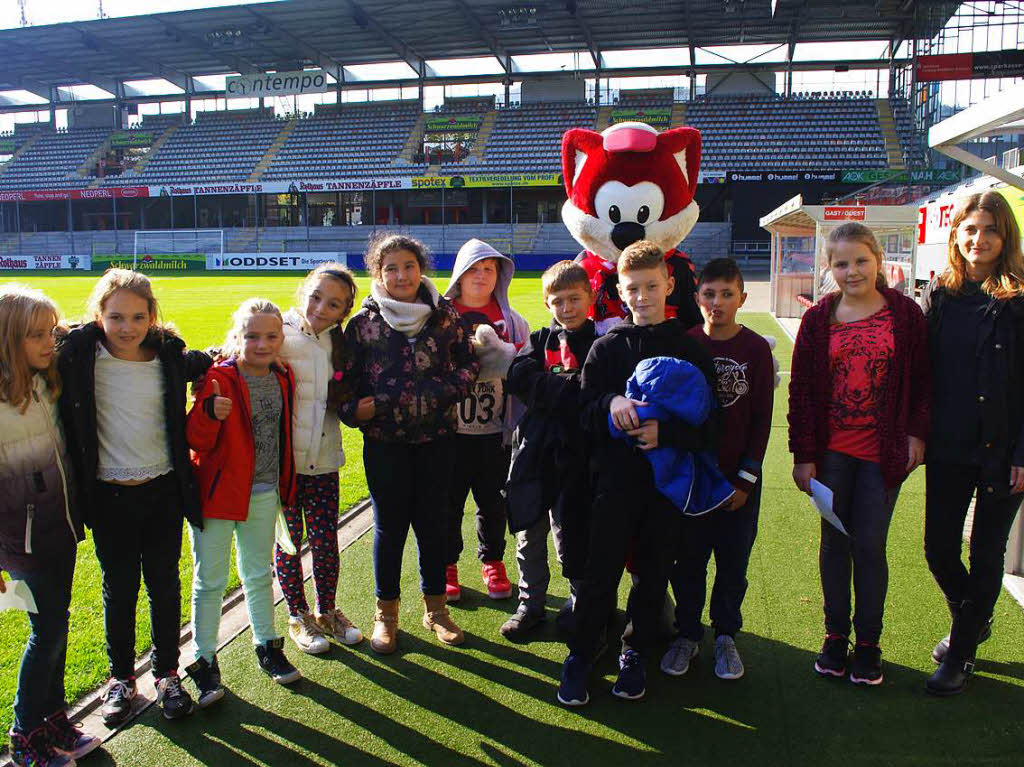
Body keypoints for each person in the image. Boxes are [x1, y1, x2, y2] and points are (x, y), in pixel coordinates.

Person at [558, 240, 717, 706]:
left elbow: (709, 427)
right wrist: (611, 402)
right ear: (620, 291)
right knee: (599, 572)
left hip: (665, 491)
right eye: (633, 288)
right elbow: (583, 414)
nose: (643, 295)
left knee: (651, 575)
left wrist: (664, 434)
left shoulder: (690, 348)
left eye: (651, 285)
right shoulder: (607, 349)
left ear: (669, 284)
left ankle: (633, 652)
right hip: (613, 485)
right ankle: (581, 655)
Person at [57, 269, 212, 726]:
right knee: (119, 590)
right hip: (108, 496)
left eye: (138, 317)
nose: (127, 327)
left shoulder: (168, 356)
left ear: (153, 317)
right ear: (98, 315)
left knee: (165, 586)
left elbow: (209, 360)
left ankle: (167, 674)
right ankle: (121, 679)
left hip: (163, 491)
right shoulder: (80, 355)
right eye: (116, 316)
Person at [789, 222, 930, 686]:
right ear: (830, 268)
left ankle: (868, 643)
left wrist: (915, 434)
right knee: (834, 544)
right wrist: (803, 455)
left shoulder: (905, 315)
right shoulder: (818, 319)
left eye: (861, 261)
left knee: (869, 546)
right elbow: (803, 392)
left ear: (878, 261)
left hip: (881, 453)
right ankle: (835, 637)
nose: (852, 271)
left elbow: (923, 383)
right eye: (842, 263)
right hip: (832, 455)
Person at [336, 233, 478, 654]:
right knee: (390, 528)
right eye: (391, 268)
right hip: (386, 443)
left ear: (422, 269)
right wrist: (353, 412)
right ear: (378, 273)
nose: (402, 275)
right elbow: (344, 382)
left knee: (434, 526)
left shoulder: (445, 315)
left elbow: (469, 362)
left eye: (409, 266)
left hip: (438, 440)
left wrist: (447, 390)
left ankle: (436, 609)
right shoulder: (363, 325)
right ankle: (387, 614)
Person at [921, 191, 1024, 696]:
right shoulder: (942, 293)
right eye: (969, 229)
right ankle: (972, 623)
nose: (978, 239)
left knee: (986, 554)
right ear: (955, 235)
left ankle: (959, 655)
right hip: (948, 445)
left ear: (1005, 238)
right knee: (938, 548)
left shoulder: (1020, 299)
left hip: (1004, 451)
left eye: (989, 230)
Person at [1, 285, 100, 767]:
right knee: (47, 632)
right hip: (21, 540)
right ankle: (24, 733)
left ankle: (52, 718)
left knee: (56, 627)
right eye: (36, 335)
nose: (49, 342)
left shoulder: (44, 382)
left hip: (59, 528)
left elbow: (81, 335)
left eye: (51, 332)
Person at [186, 298, 302, 707]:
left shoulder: (282, 376)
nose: (262, 343)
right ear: (238, 337)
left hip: (264, 492)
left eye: (271, 335)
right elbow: (196, 441)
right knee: (210, 581)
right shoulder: (218, 376)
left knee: (257, 573)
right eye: (252, 335)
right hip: (216, 497)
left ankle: (267, 646)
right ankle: (203, 660)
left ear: (280, 338)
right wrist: (208, 412)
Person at [665, 258, 774, 681]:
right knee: (688, 561)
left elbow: (763, 418)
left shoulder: (755, 350)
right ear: (697, 298)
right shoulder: (686, 343)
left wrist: (746, 479)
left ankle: (726, 635)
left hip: (738, 482)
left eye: (727, 294)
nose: (718, 302)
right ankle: (688, 634)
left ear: (742, 299)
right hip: (694, 481)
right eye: (709, 294)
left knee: (733, 563)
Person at [501, 261, 597, 638]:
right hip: (533, 457)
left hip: (578, 461)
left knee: (572, 536)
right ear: (546, 303)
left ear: (590, 298)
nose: (567, 308)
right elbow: (518, 378)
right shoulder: (539, 341)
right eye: (558, 301)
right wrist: (566, 390)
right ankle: (530, 603)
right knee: (529, 533)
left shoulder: (601, 344)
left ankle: (579, 600)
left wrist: (550, 389)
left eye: (575, 298)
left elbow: (592, 395)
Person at [275, 263, 363, 655]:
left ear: (344, 311)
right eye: (316, 297)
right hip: (285, 465)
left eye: (333, 304)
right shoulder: (278, 330)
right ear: (304, 292)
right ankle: (298, 615)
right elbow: (236, 353)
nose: (320, 308)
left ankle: (327, 610)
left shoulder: (343, 344)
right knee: (290, 543)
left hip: (325, 460)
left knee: (326, 541)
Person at [441, 239, 529, 602]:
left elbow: (527, 369)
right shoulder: (439, 317)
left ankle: (492, 561)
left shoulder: (511, 320)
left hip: (494, 432)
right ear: (459, 275)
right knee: (447, 502)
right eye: (473, 269)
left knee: (492, 503)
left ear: (500, 276)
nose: (481, 276)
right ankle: (446, 565)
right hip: (449, 433)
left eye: (489, 269)